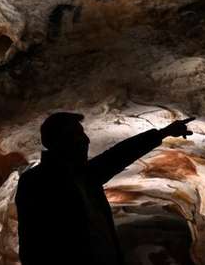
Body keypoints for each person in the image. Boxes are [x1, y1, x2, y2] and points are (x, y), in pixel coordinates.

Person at [15, 112, 194, 265]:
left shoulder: (82, 175)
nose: (86, 140)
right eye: (77, 134)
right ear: (60, 141)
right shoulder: (37, 181)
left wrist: (164, 133)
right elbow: (32, 243)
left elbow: (119, 155)